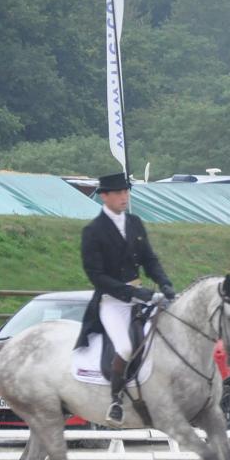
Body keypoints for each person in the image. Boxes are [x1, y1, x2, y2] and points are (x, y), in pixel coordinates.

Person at [75, 171, 176, 425]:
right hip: (112, 301)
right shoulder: (93, 231)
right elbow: (97, 276)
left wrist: (164, 282)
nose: (124, 197)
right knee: (126, 347)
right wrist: (132, 292)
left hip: (142, 297)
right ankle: (116, 400)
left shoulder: (134, 223)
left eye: (126, 192)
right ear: (105, 196)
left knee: (168, 335)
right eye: (118, 193)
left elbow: (149, 260)